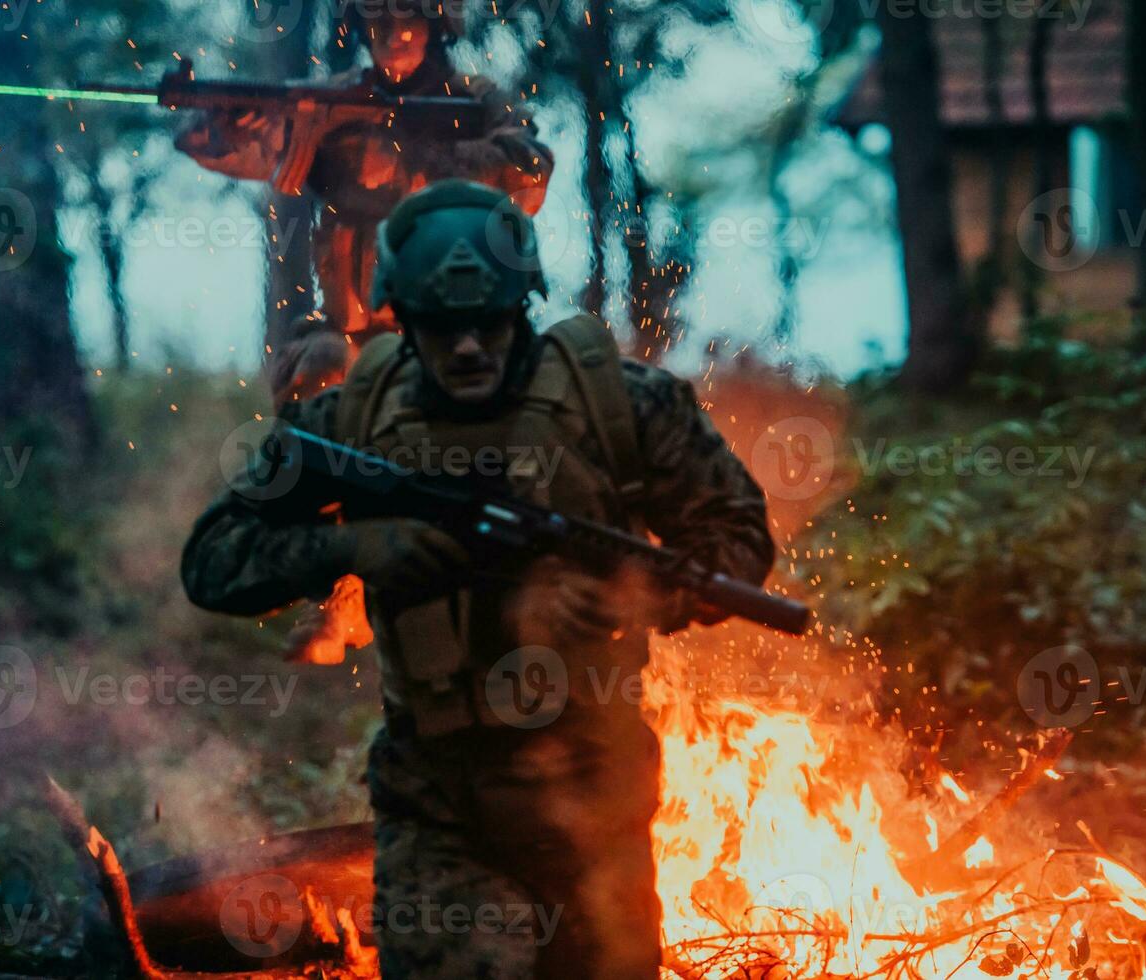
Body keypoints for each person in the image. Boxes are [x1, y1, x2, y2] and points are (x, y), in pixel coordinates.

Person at [181, 180, 776, 979]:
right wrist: (357, 546)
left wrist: (645, 597)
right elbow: (213, 561)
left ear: (522, 305)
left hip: (592, 785)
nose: (466, 347)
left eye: (487, 322)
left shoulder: (621, 407)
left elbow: (738, 536)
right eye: (440, 325)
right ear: (400, 315)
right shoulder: (353, 421)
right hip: (438, 797)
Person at [177, 3, 553, 405]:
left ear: (435, 27)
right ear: (360, 28)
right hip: (352, 330)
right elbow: (240, 151)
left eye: (407, 21)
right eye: (379, 22)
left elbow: (530, 172)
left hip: (456, 326)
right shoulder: (330, 103)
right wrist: (223, 130)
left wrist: (413, 164)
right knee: (316, 374)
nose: (393, 35)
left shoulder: (473, 98)